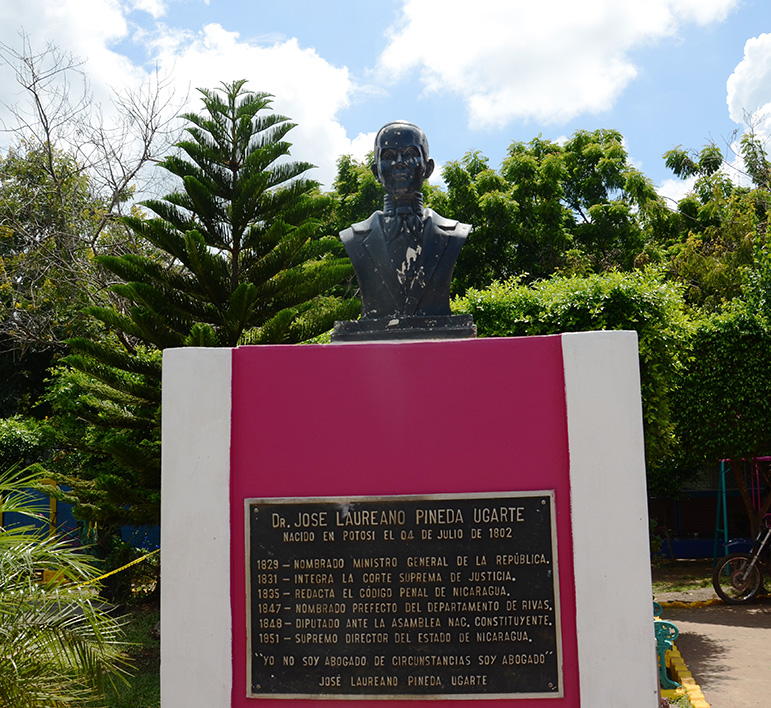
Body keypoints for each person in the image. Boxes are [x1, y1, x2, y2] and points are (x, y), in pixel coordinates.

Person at [339, 121, 471, 319]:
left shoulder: (454, 233)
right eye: (389, 156)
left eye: (410, 153)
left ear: (428, 168)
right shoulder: (353, 237)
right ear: (376, 172)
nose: (399, 162)